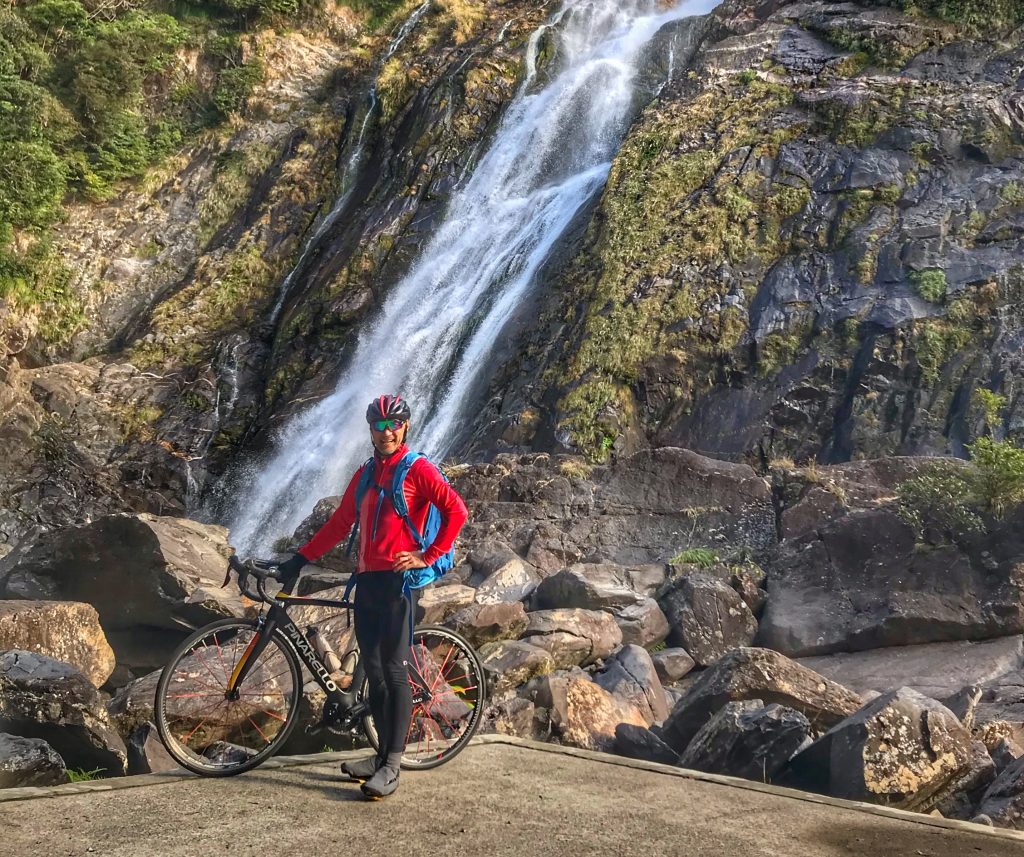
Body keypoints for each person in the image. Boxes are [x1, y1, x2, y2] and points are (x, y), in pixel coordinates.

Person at [275, 394, 468, 799]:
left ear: (405, 427)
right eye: (379, 426)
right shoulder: (366, 473)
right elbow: (342, 520)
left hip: (399, 585)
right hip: (367, 582)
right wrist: (300, 558)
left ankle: (393, 766)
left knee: (395, 672)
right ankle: (380, 756)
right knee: (375, 672)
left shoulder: (417, 470)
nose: (386, 432)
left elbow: (457, 511)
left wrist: (427, 556)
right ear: (371, 430)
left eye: (393, 425)